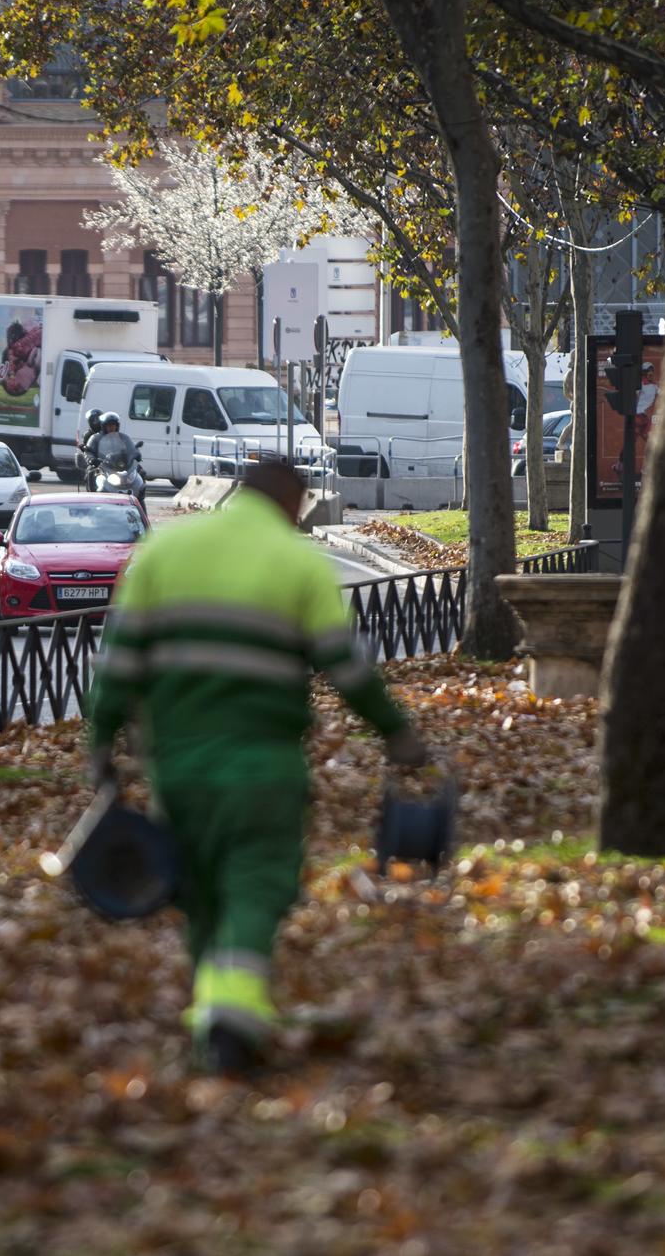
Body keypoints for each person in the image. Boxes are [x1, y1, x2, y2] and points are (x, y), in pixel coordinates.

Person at [86, 459, 429, 1076]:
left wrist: (100, 747)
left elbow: (117, 665)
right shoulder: (297, 563)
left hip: (178, 767)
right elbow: (346, 670)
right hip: (262, 765)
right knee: (256, 883)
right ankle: (233, 1022)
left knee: (198, 892)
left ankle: (209, 1018)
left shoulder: (164, 552)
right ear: (292, 505)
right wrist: (398, 735)